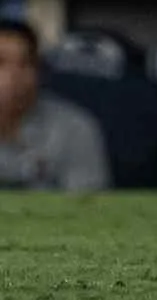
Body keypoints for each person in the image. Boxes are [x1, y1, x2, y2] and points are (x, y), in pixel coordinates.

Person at [0, 19, 110, 191]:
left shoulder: (74, 127)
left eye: (26, 63)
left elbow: (89, 202)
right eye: (1, 63)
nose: (14, 76)